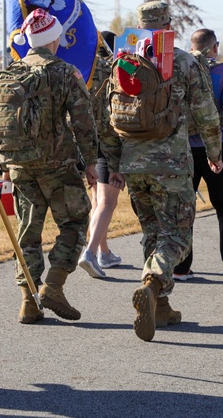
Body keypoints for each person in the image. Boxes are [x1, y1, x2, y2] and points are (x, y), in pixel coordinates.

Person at [100, 1, 223, 341]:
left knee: (152, 231)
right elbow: (206, 113)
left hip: (133, 164)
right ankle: (153, 281)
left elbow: (107, 116)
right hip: (171, 164)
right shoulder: (183, 61)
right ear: (169, 23)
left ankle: (161, 306)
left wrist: (113, 163)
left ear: (140, 24)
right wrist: (215, 153)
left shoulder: (122, 61)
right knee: (178, 236)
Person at [0, 9, 101, 323]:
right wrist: (91, 162)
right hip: (57, 165)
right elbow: (83, 122)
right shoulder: (64, 72)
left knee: (28, 232)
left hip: (18, 166)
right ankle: (54, 286)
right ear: (55, 38)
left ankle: (28, 301)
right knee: (75, 223)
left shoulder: (9, 73)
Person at [173, 29, 223, 279]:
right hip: (216, 147)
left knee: (184, 207)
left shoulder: (178, 68)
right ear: (214, 47)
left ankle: (181, 266)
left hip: (183, 148)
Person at [78, 30, 126, 279]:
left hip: (86, 141)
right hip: (109, 141)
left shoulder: (82, 68)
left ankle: (104, 252)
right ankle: (90, 252)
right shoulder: (112, 69)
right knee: (108, 202)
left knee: (97, 201)